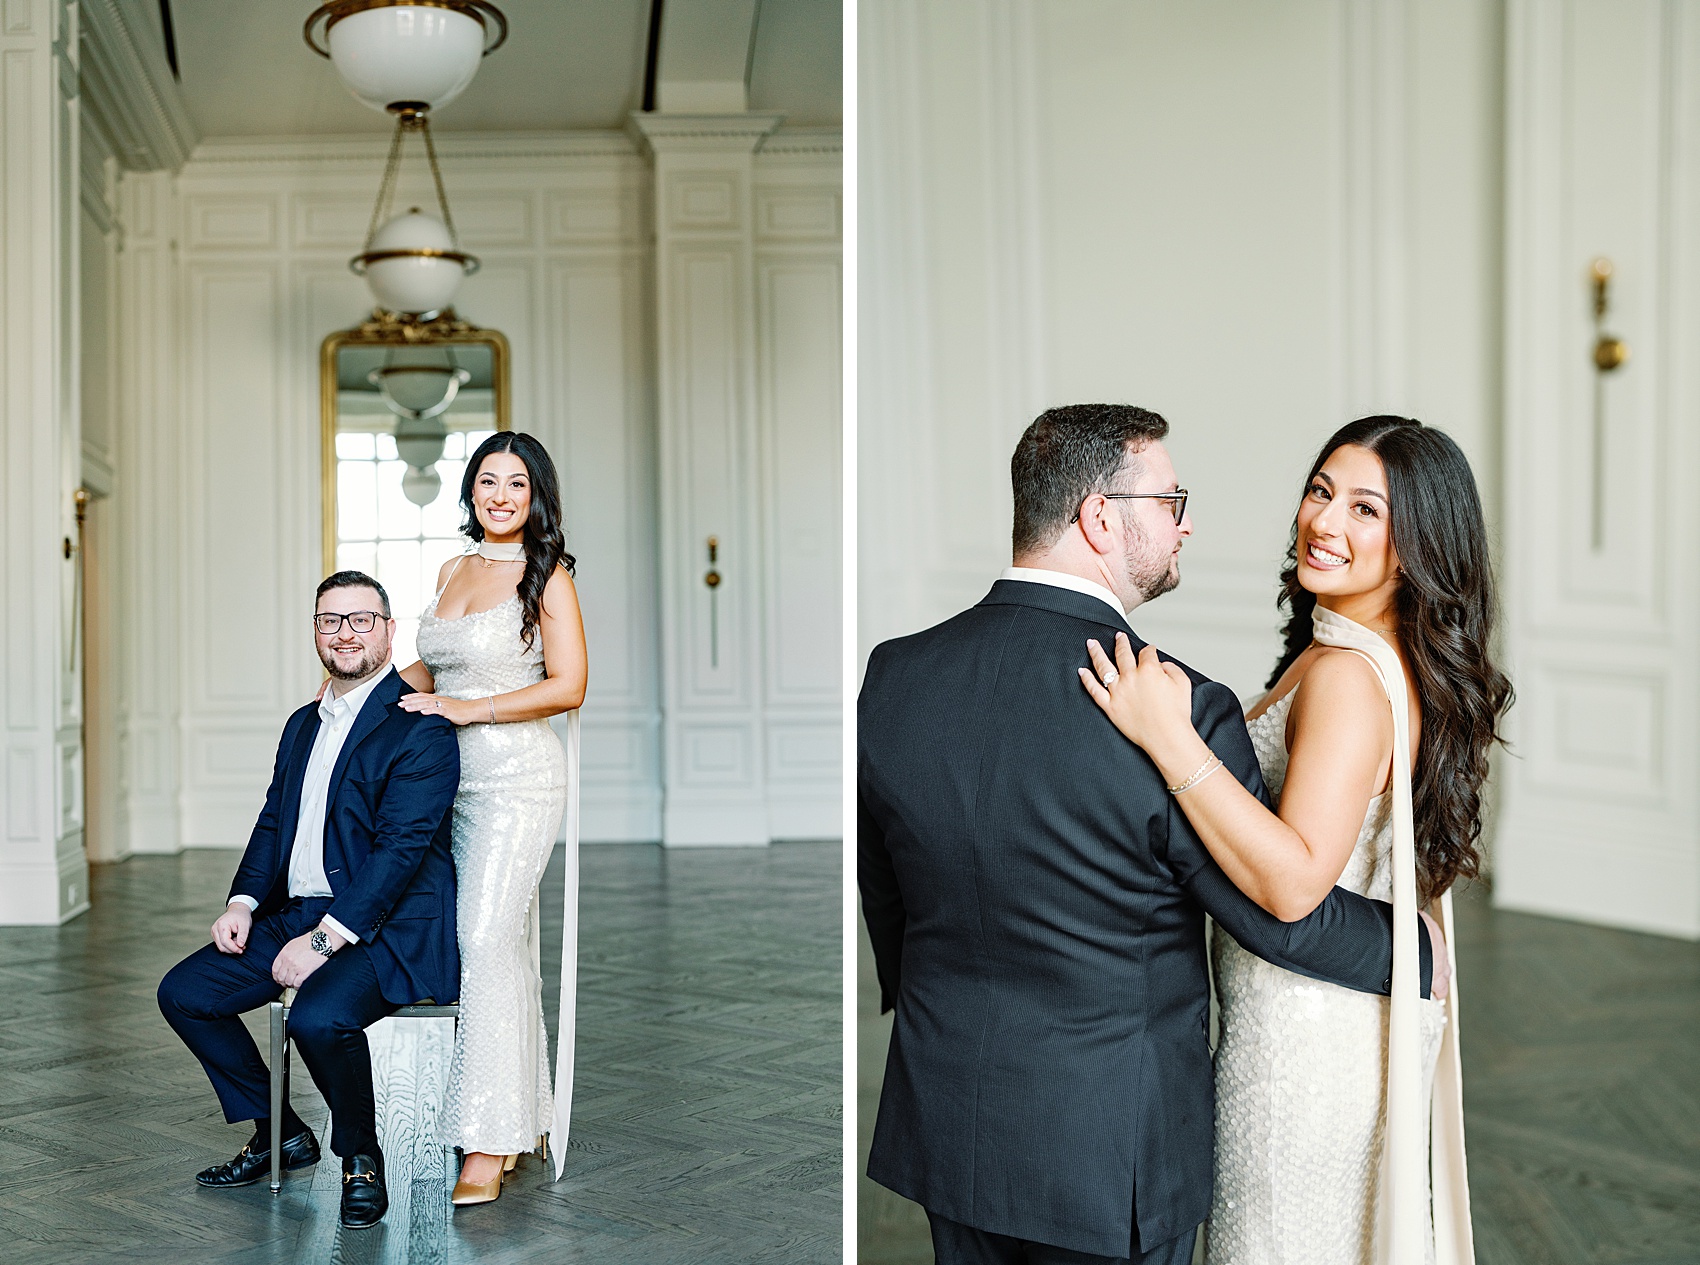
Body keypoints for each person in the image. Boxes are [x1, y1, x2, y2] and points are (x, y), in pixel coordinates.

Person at [858, 403, 1443, 1265]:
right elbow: (1273, 907)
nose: (1187, 522)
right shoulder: (1169, 706)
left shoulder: (896, 674)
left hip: (950, 1118)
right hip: (1108, 1153)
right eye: (1171, 501)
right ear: (1101, 517)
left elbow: (893, 897)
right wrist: (1413, 951)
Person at [1081, 415, 1510, 1264]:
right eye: (1321, 491)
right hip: (1307, 1016)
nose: (1325, 522)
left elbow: (1295, 883)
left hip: (1302, 1042)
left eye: (1365, 510)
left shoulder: (1350, 676)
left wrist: (1169, 737)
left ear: (1418, 543)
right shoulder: (1345, 650)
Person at [157, 571, 460, 1231]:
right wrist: (241, 902)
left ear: (388, 629)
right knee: (185, 991)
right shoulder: (302, 724)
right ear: (316, 630)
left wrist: (324, 938)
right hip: (295, 911)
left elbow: (400, 854)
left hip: (388, 924)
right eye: (331, 620)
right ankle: (280, 1131)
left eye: (361, 619)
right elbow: (274, 822)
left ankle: (362, 1160)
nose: (345, 632)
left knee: (318, 1018)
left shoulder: (421, 727)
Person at [396, 430, 587, 1206]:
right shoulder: (452, 568)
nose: (501, 495)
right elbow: (429, 668)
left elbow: (570, 684)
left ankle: (487, 1137)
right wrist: (351, 687)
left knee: (483, 936)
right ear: (471, 491)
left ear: (536, 494)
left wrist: (471, 709)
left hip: (517, 777)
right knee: (492, 945)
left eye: (517, 483)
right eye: (487, 480)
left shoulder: (550, 576)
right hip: (450, 779)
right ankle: (516, 1119)